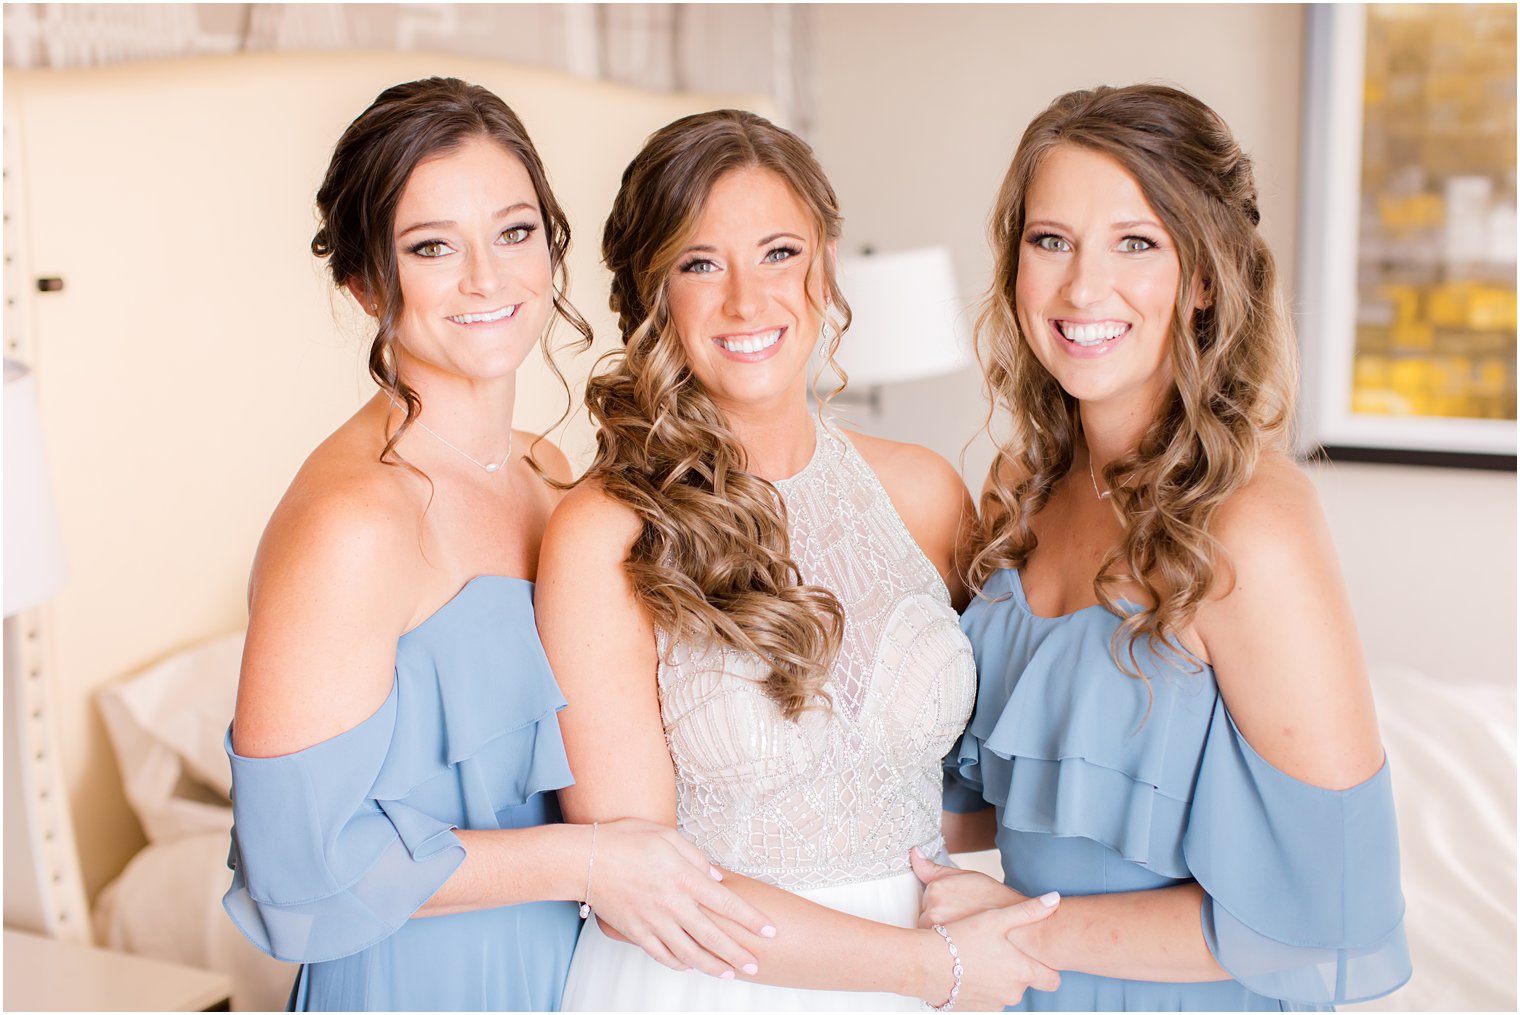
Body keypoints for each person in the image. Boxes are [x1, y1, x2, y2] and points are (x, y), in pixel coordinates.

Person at [222, 78, 774, 1012]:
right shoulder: (355, 523)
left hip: (583, 967)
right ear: (363, 282)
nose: (487, 279)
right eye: (432, 247)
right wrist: (593, 858)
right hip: (422, 980)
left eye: (514, 233)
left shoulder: (543, 470)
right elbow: (297, 871)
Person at [535, 108, 1062, 1012]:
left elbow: (966, 775)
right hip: (712, 986)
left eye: (779, 253)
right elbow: (644, 894)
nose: (747, 300)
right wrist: (932, 968)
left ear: (824, 267)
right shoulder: (604, 534)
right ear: (653, 294)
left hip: (926, 964)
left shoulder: (928, 493)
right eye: (700, 264)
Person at [911, 83, 1412, 1010]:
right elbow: (998, 801)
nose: (1081, 288)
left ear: (1208, 277)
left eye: (1135, 243)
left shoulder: (1251, 526)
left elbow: (1335, 917)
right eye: (1049, 241)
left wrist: (1018, 922)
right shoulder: (1018, 488)